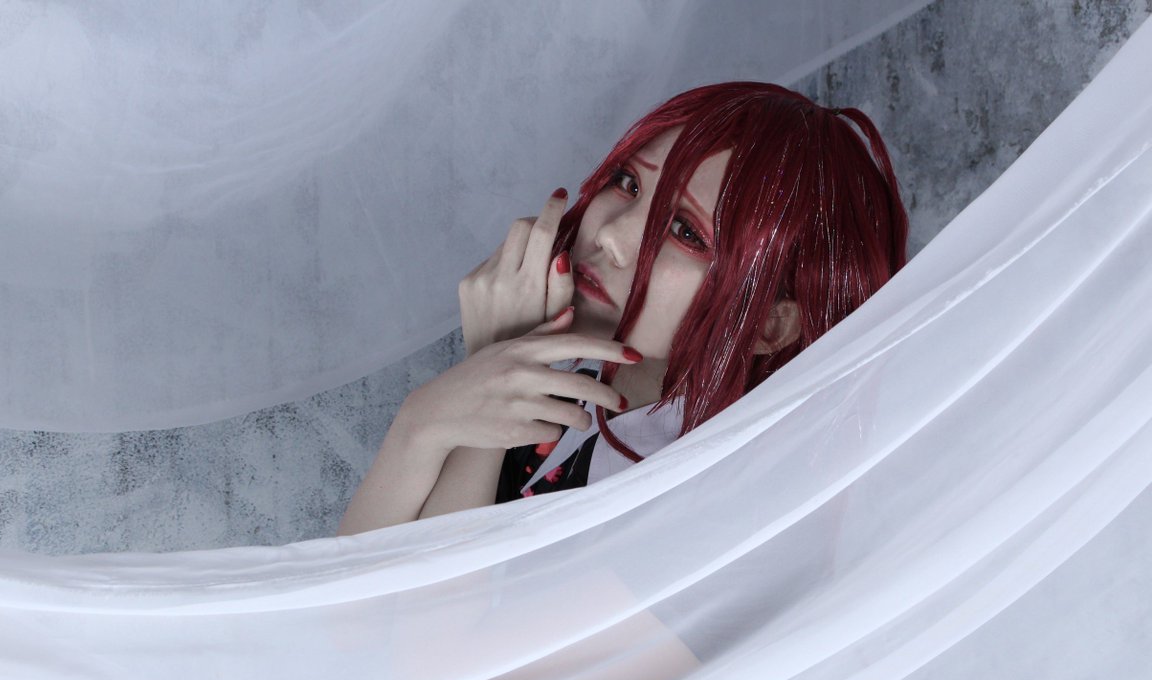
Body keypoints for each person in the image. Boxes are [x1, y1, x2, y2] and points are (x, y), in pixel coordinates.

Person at [337, 81, 908, 537]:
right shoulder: (571, 388)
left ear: (771, 323)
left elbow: (426, 646)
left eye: (685, 231)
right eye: (628, 183)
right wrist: (427, 418)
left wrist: (485, 389)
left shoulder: (718, 515)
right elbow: (343, 614)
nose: (610, 234)